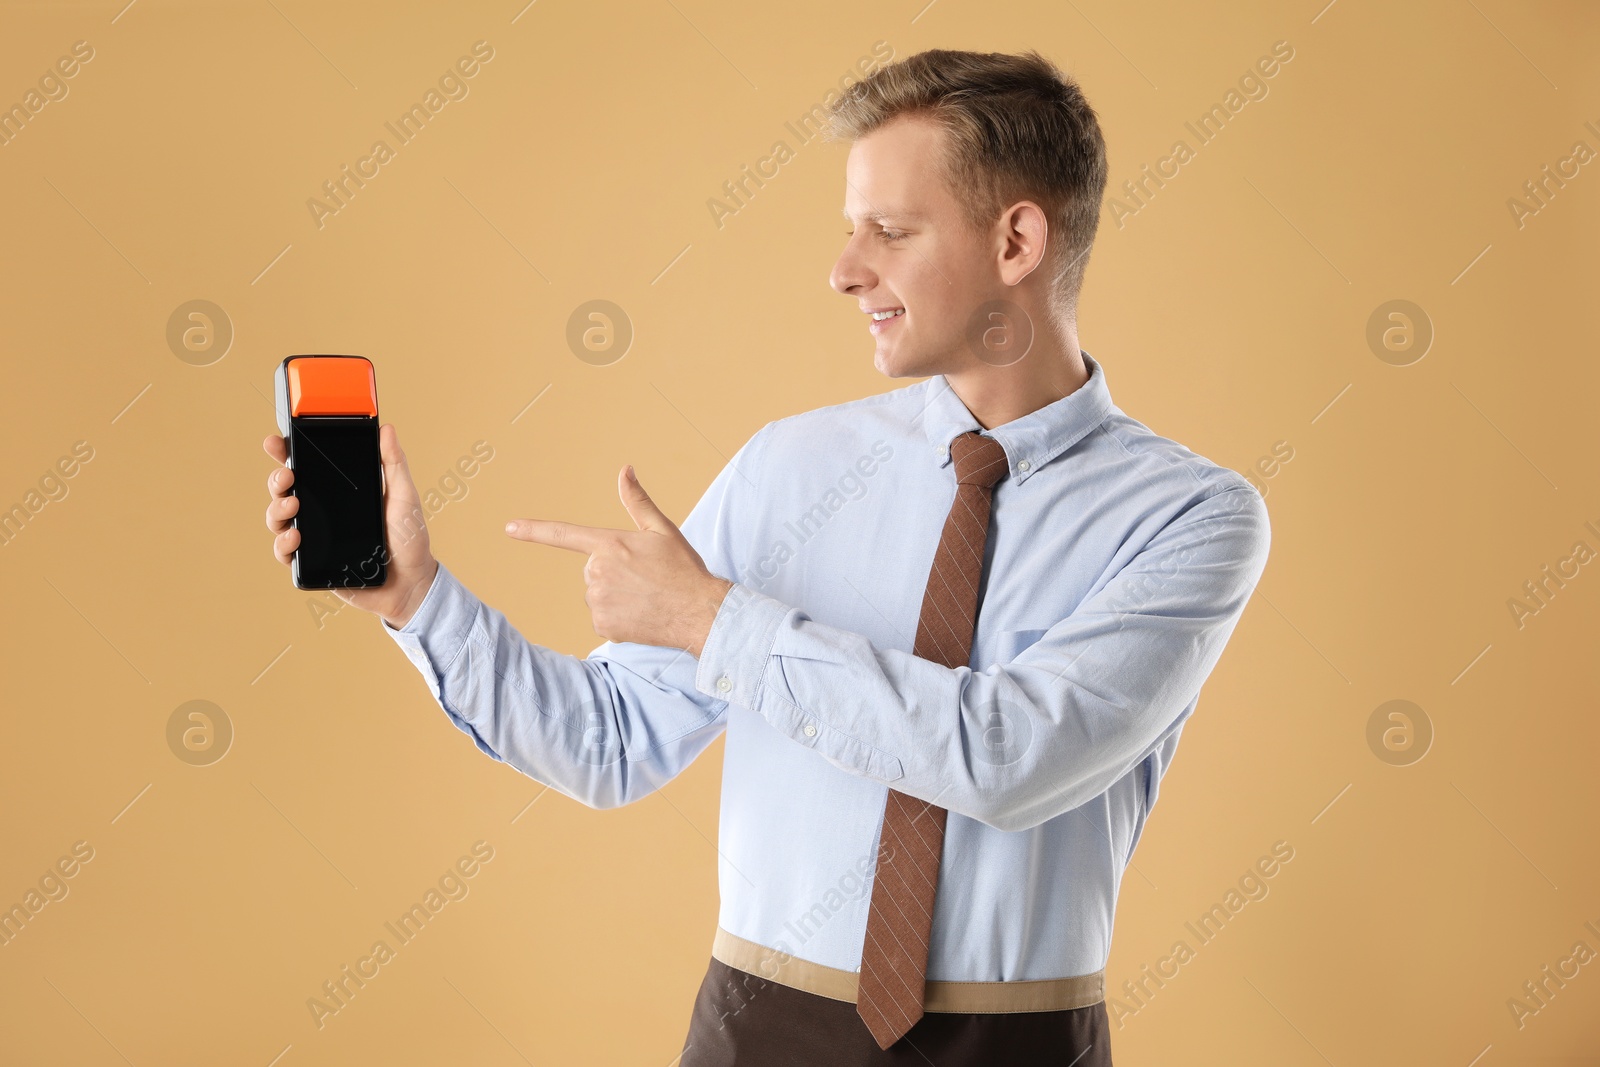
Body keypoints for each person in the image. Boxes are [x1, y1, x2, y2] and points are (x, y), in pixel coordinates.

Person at [262, 48, 1271, 1066]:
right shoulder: (789, 468)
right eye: (849, 230)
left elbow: (1007, 755)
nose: (844, 270)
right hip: (757, 1031)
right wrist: (413, 598)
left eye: (890, 231)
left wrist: (712, 618)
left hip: (1022, 1044)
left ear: (1016, 240)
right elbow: (610, 741)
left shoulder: (1191, 516)